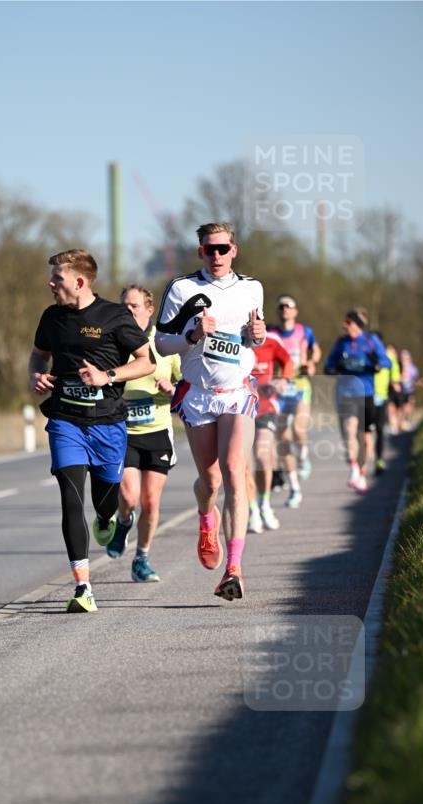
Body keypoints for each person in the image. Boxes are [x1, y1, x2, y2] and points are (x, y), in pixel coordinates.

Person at [29, 249, 155, 612]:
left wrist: (108, 376)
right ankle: (83, 586)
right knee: (70, 496)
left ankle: (107, 516)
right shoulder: (51, 317)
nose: (51, 284)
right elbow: (37, 355)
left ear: (80, 282)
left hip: (108, 423)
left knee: (104, 501)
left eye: (58, 278)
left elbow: (147, 362)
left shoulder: (115, 317)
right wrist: (35, 375)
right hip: (66, 419)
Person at [155, 222, 266, 601]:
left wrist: (258, 336)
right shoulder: (182, 289)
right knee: (212, 481)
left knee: (235, 470)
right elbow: (162, 343)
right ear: (200, 251)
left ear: (234, 249)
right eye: (208, 250)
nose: (216, 256)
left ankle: (233, 570)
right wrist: (192, 336)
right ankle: (207, 518)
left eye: (222, 248)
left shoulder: (252, 288)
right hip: (199, 394)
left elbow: (254, 336)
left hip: (237, 391)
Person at [106, 285, 182, 582]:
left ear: (149, 310)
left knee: (151, 502)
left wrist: (172, 389)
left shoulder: (163, 343)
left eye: (133, 306)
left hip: (158, 430)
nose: (127, 311)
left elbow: (184, 387)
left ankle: (142, 558)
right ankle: (124, 522)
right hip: (123, 432)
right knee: (129, 496)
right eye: (123, 306)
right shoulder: (113, 342)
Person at [324, 309, 390, 495]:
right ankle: (354, 468)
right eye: (344, 324)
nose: (345, 327)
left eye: (349, 324)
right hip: (346, 392)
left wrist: (377, 363)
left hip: (366, 393)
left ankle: (361, 472)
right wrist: (333, 368)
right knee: (349, 431)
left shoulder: (370, 340)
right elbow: (329, 364)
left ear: (357, 325)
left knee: (366, 438)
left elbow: (387, 362)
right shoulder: (341, 342)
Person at [267, 295, 322, 508]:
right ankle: (294, 488)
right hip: (280, 390)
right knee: (283, 441)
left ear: (295, 311)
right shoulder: (272, 333)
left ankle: (304, 457)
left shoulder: (304, 331)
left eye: (288, 306)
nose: (284, 310)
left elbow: (315, 350)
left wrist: (311, 362)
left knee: (299, 430)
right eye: (281, 307)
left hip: (300, 387)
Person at [248, 329, 295, 532]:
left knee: (262, 455)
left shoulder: (271, 340)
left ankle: (264, 503)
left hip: (266, 406)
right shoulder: (232, 335)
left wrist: (284, 379)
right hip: (238, 407)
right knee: (243, 465)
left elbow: (288, 362)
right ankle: (252, 512)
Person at [370, 331, 397, 474]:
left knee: (380, 429)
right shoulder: (365, 355)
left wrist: (395, 384)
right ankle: (364, 460)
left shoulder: (389, 357)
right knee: (366, 431)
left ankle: (379, 458)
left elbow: (395, 376)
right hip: (366, 397)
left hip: (382, 397)